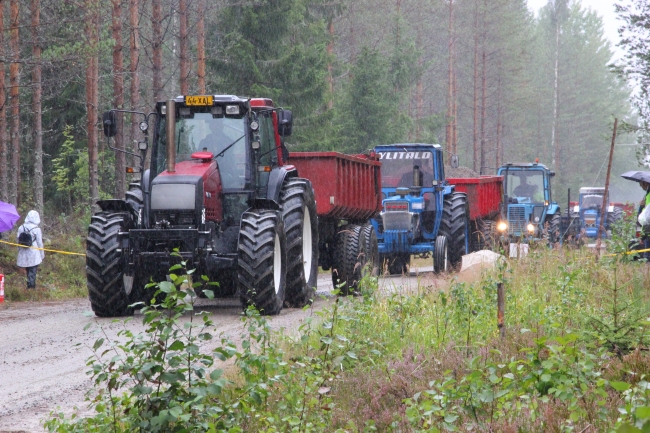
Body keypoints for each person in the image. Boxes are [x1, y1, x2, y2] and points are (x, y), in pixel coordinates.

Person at [16, 210, 45, 289]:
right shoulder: (37, 229)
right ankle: (31, 288)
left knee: (28, 270)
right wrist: (42, 254)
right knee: (32, 271)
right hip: (34, 252)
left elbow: (17, 240)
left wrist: (18, 250)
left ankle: (29, 287)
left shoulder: (21, 227)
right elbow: (39, 242)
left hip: (23, 252)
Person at [638, 180, 650, 260]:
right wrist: (642, 206)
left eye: (641, 183)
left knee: (647, 257)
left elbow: (646, 219)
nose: (640, 186)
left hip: (648, 233)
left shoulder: (648, 196)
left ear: (645, 183)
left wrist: (642, 236)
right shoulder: (647, 195)